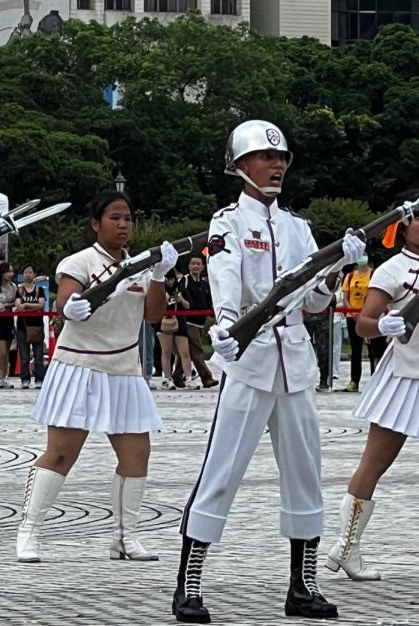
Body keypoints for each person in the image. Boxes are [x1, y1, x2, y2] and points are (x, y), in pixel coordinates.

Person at [172, 121, 365, 623]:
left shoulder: (298, 228)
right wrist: (229, 324)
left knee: (305, 471)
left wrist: (335, 270)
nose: (276, 166)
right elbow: (225, 274)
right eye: (264, 158)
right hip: (250, 358)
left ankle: (303, 584)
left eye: (281, 159)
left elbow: (317, 301)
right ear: (240, 166)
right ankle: (189, 583)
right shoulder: (228, 221)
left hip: (295, 361)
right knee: (222, 469)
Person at [14, 190, 177, 564]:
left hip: (124, 370)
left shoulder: (141, 265)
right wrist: (73, 304)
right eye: (115, 218)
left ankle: (125, 536)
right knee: (60, 453)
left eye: (128, 219)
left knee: (137, 454)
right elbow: (66, 302)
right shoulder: (80, 261)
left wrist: (160, 276)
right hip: (80, 367)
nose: (123, 225)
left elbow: (153, 316)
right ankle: (29, 530)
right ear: (95, 223)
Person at [325, 200, 419, 582]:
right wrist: (387, 327)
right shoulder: (392, 269)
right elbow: (363, 323)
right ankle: (346, 546)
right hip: (404, 376)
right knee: (375, 463)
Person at [175, 256, 218, 388]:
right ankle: (206, 377)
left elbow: (210, 300)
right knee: (197, 349)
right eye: (193, 263)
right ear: (189, 266)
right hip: (187, 320)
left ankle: (177, 375)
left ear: (203, 267)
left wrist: (215, 314)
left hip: (200, 321)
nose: (195, 266)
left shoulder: (205, 283)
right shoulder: (185, 280)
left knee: (187, 351)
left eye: (198, 264)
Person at [158, 270, 197, 390]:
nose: (169, 282)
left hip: (180, 321)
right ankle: (167, 379)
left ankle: (189, 378)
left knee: (184, 352)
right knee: (166, 351)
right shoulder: (158, 289)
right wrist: (164, 299)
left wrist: (180, 299)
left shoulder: (179, 288)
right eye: (167, 279)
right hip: (164, 322)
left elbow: (189, 306)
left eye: (171, 279)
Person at [341, 256, 373, 392]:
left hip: (369, 316)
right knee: (356, 350)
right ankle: (354, 381)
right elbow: (345, 298)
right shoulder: (350, 276)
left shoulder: (373, 274)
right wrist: (352, 313)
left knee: (373, 350)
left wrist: (365, 313)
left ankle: (374, 380)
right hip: (352, 317)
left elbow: (374, 295)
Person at [14, 265, 46, 389]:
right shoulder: (20, 290)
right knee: (24, 356)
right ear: (23, 274)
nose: (28, 274)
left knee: (38, 355)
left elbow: (41, 305)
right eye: (26, 272)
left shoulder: (39, 290)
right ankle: (25, 379)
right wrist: (33, 305)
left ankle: (39, 379)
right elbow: (18, 306)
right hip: (22, 326)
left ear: (34, 274)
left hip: (37, 326)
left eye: (30, 272)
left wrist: (26, 304)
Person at [0, 262, 17, 389]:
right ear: (2, 272)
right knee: (0, 352)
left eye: (11, 271)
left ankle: (3, 377)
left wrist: (9, 306)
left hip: (9, 319)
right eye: (8, 271)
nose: (10, 274)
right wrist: (7, 305)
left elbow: (15, 302)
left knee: (7, 352)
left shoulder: (13, 287)